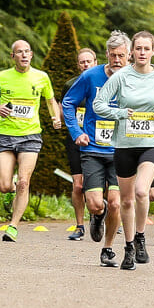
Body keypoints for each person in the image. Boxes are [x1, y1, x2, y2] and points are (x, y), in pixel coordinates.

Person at [92, 31, 154, 270]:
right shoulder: (121, 77)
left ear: (153, 51)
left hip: (152, 141)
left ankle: (141, 237)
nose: (142, 53)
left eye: (146, 49)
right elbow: (98, 104)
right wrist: (119, 113)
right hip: (125, 145)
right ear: (132, 51)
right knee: (127, 200)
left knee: (143, 191)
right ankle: (129, 246)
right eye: (138, 49)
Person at [62, 32, 130, 267]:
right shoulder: (91, 76)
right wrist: (76, 132)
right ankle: (96, 216)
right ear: (106, 55)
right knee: (94, 203)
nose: (117, 60)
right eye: (113, 55)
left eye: (122, 55)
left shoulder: (135, 79)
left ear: (129, 55)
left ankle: (108, 249)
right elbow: (69, 103)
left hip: (121, 151)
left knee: (115, 202)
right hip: (92, 148)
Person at [0, 39, 61, 242]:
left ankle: (13, 226)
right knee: (4, 185)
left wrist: (55, 116)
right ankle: (12, 190)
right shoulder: (1, 77)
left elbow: (50, 99)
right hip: (5, 135)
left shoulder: (41, 77)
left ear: (31, 54)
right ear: (13, 56)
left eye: (27, 51)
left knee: (23, 181)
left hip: (30, 136)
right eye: (19, 52)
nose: (24, 55)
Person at [64, 47, 96, 240]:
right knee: (78, 186)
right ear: (78, 64)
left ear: (95, 62)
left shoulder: (102, 81)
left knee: (100, 185)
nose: (85, 65)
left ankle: (100, 217)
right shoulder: (70, 84)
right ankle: (79, 225)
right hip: (76, 139)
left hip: (98, 139)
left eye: (89, 61)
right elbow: (64, 107)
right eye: (82, 62)